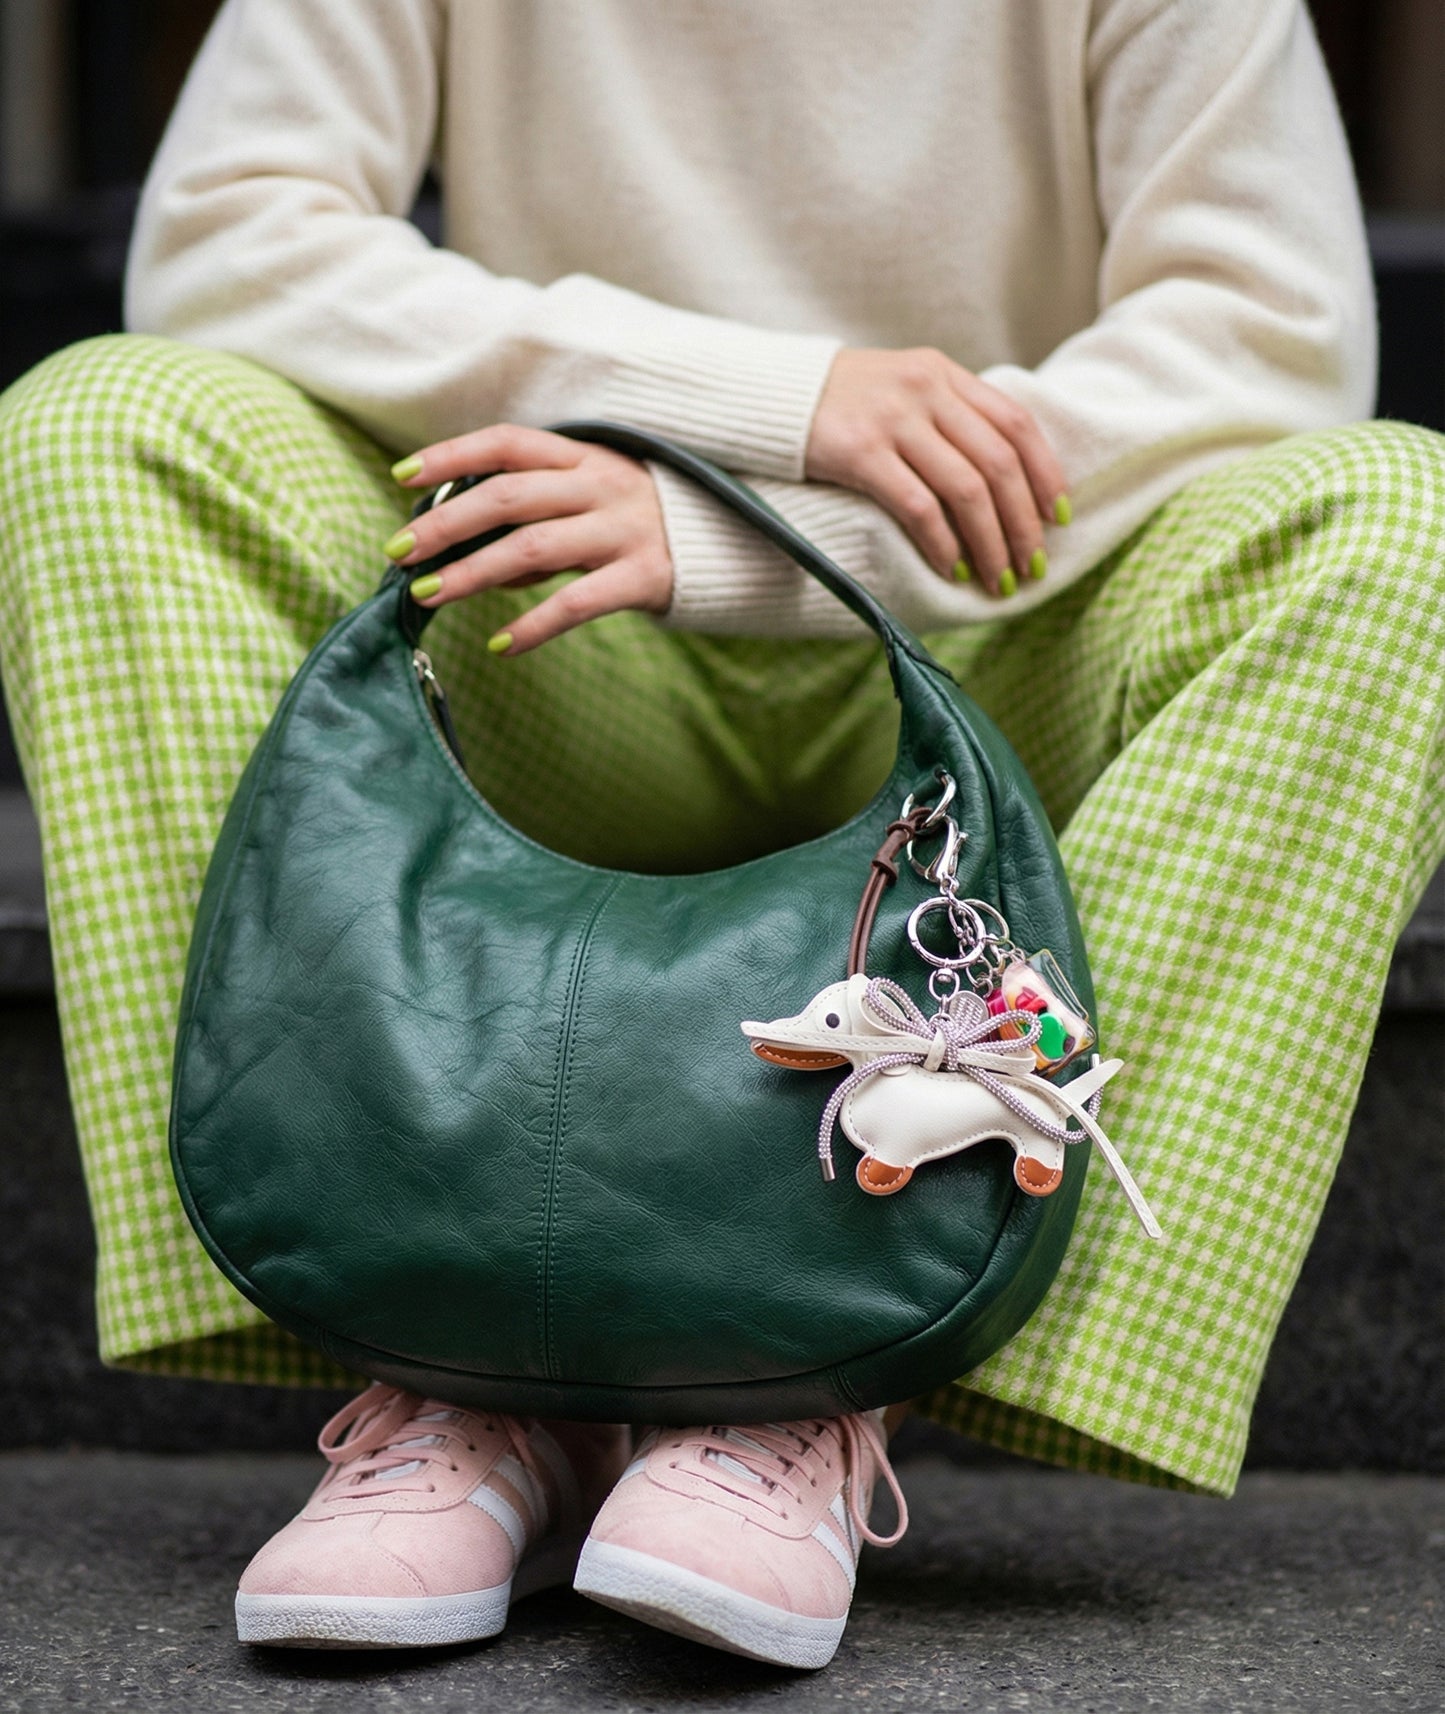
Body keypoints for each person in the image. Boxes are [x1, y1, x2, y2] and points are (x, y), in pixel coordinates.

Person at [0, 0, 1440, 1673]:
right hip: (556, 621)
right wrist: (768, 398)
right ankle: (440, 1344)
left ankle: (842, 1363)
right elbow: (224, 239)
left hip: (989, 634)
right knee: (105, 426)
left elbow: (1268, 342)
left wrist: (754, 535)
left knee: (1394, 526)